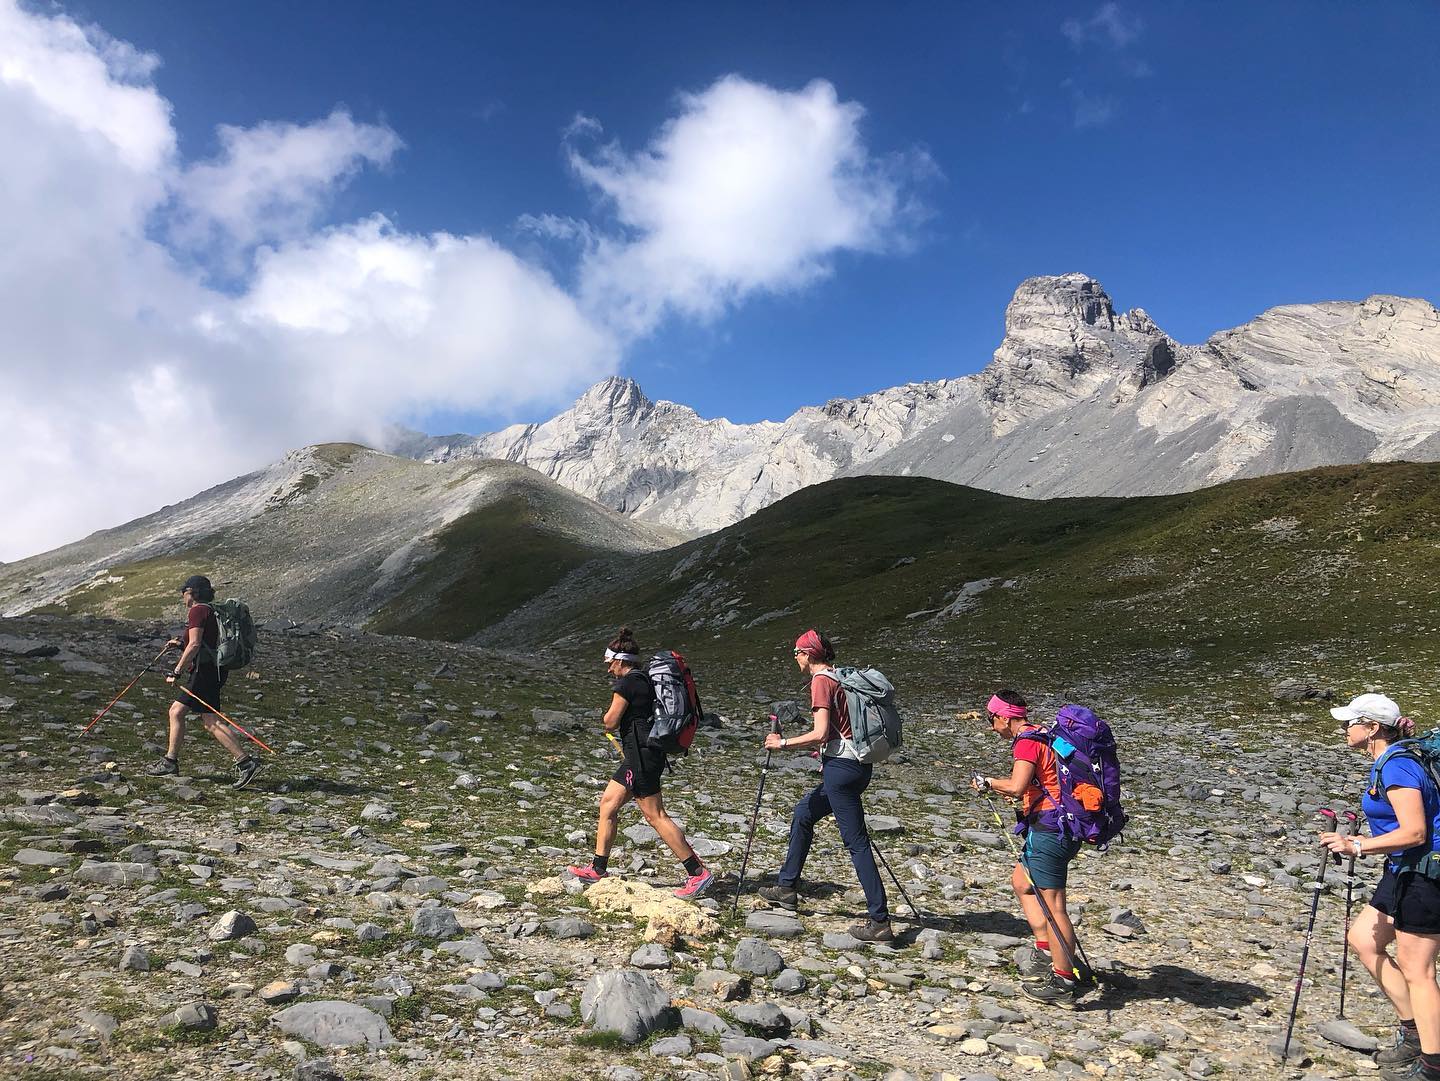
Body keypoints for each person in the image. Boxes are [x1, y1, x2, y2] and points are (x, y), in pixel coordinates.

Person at [1320, 693, 1440, 1080]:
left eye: (1350, 722)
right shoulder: (1392, 761)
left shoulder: (1398, 767)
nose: (1344, 729)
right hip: (1402, 868)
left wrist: (1357, 845)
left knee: (1417, 969)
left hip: (1426, 872)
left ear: (1373, 728)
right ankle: (1415, 1034)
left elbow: (1415, 830)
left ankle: (1433, 1065)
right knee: (1364, 940)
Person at [757, 629, 892, 942]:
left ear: (807, 654)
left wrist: (783, 743)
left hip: (841, 770)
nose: (795, 658)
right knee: (803, 813)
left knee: (856, 842)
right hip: (857, 766)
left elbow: (819, 733)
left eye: (797, 653)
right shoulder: (840, 677)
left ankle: (880, 921)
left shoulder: (821, 681)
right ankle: (787, 886)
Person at [566, 628, 713, 899]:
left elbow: (610, 721)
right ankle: (598, 868)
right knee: (608, 804)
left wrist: (607, 719)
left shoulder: (626, 684)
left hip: (642, 757)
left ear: (621, 661)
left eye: (610, 664)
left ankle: (697, 873)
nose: (609, 670)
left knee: (655, 815)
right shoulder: (644, 679)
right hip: (641, 755)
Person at [971, 689, 1087, 1007]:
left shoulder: (1025, 742)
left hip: (1052, 828)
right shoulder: (1043, 735)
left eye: (991, 718)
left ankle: (1063, 981)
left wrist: (988, 783)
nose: (991, 725)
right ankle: (1045, 949)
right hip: (1058, 824)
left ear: (1005, 717)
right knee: (1022, 882)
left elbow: (1017, 785)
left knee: (1054, 907)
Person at [147, 575, 261, 789]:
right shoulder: (212, 610)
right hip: (214, 670)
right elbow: (201, 641)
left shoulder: (197, 611)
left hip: (203, 672)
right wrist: (180, 642)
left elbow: (196, 645)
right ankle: (171, 761)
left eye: (184, 592)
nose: (182, 597)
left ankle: (245, 763)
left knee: (205, 720)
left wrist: (177, 671)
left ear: (191, 593)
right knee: (184, 713)